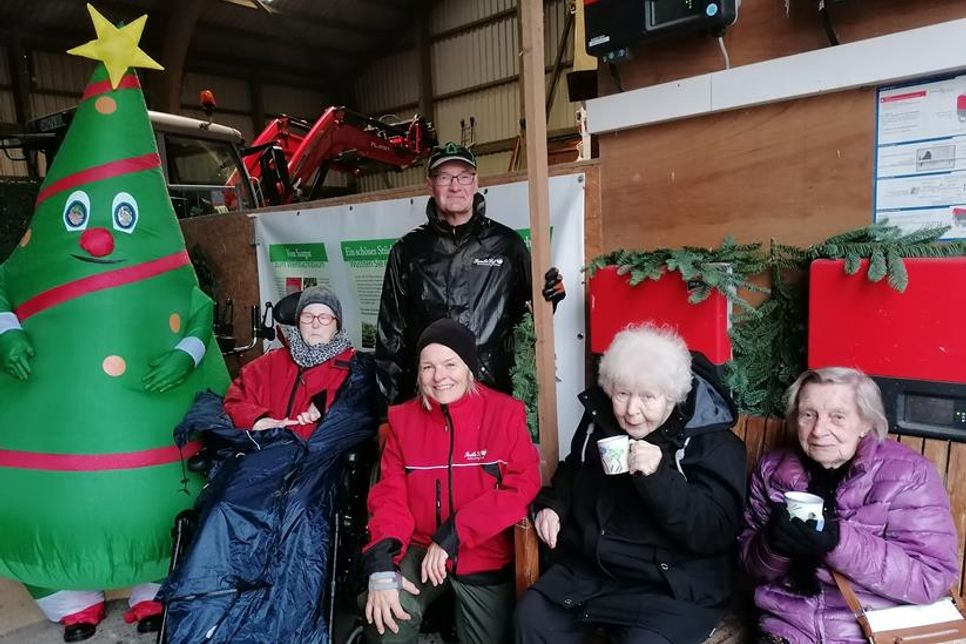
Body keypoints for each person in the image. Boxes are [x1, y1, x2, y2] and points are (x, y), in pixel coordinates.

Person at [158, 286, 379, 643]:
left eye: (325, 317)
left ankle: (277, 623)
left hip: (318, 465)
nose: (316, 323)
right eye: (309, 316)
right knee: (224, 507)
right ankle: (210, 615)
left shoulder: (353, 367)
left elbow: (352, 418)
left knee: (298, 514)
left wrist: (304, 426)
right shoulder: (271, 362)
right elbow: (235, 400)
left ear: (336, 324)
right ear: (299, 321)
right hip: (264, 457)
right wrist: (264, 421)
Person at [515, 324, 747, 644]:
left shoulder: (712, 444)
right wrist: (552, 505)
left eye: (647, 397)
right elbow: (574, 469)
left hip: (670, 587)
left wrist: (658, 477)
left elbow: (713, 530)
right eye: (622, 393)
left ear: (673, 397)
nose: (631, 410)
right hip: (593, 574)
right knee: (532, 617)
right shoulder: (601, 423)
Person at [739, 367, 959, 644]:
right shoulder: (773, 471)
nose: (819, 430)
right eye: (809, 414)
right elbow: (750, 566)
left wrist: (839, 543)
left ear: (865, 423)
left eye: (837, 417)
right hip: (788, 629)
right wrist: (772, 544)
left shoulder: (909, 474)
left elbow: (932, 579)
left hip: (872, 631)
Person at [361, 318, 541, 644]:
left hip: (482, 551)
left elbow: (522, 488)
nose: (439, 376)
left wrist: (452, 536)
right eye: (428, 367)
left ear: (469, 367)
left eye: (450, 364)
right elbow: (390, 498)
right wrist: (382, 564)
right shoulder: (403, 421)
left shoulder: (504, 414)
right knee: (387, 614)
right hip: (418, 547)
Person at [374, 141, 564, 406]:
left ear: (476, 183)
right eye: (444, 177)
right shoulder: (407, 251)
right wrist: (387, 412)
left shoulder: (507, 245)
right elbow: (390, 334)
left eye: (464, 176)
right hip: (428, 394)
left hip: (492, 391)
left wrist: (550, 297)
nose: (455, 186)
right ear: (430, 185)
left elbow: (529, 318)